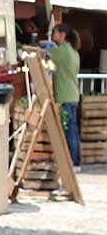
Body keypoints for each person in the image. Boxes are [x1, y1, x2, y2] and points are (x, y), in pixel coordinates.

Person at [49, 23, 82, 170]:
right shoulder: (74, 52)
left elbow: (45, 54)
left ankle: (73, 163)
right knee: (74, 130)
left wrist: (42, 46)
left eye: (54, 32)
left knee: (69, 131)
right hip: (73, 95)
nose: (52, 35)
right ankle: (76, 162)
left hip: (65, 96)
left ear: (62, 35)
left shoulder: (62, 50)